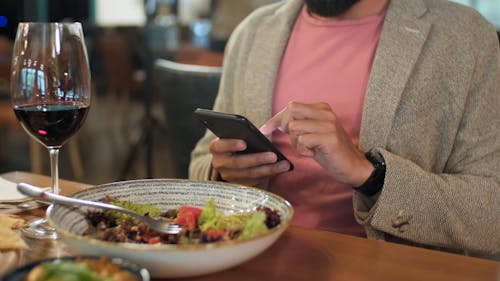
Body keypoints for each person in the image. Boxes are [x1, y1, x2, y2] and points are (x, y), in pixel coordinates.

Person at [189, 0, 500, 259]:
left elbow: (491, 213)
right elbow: (202, 159)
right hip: (253, 260)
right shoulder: (252, 33)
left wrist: (369, 175)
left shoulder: (467, 39)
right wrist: (223, 173)